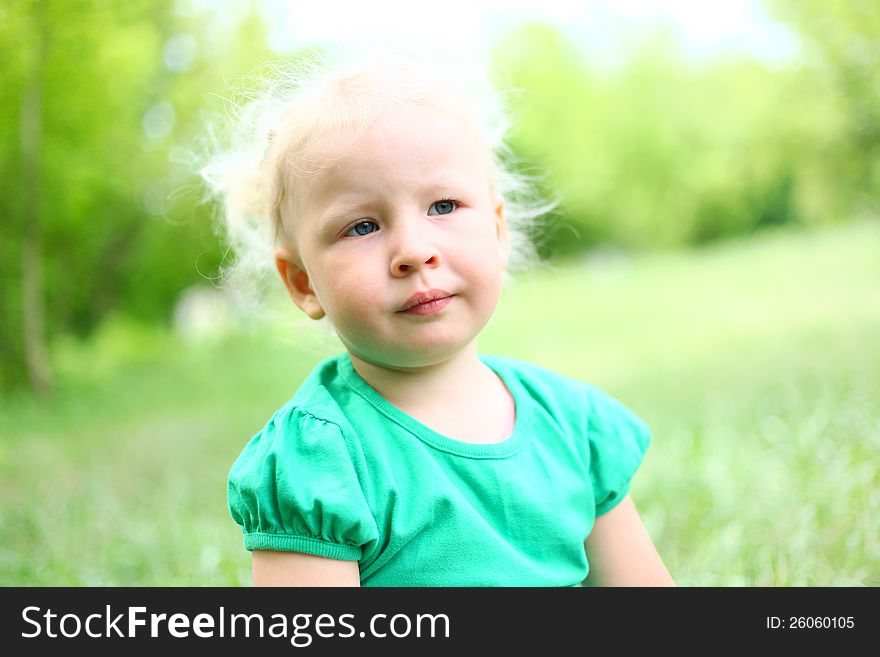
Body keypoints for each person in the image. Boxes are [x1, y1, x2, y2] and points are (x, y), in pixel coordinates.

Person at [206, 51, 674, 587]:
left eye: (444, 206)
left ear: (497, 232)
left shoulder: (573, 425)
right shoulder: (321, 459)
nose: (413, 250)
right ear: (303, 283)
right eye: (362, 227)